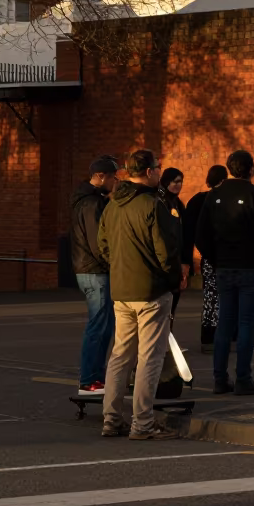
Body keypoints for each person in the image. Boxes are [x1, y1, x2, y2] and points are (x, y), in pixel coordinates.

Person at [97, 149, 183, 440]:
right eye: (158, 168)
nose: (160, 172)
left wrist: (120, 267)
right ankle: (143, 422)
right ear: (148, 172)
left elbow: (103, 246)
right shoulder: (151, 205)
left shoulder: (112, 205)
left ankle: (111, 418)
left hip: (121, 288)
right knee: (149, 358)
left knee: (120, 355)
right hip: (150, 290)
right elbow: (165, 251)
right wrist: (172, 279)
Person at [196, 149, 254, 396]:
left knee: (225, 322)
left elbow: (201, 235)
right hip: (251, 268)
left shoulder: (214, 197)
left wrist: (216, 258)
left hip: (224, 267)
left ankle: (219, 378)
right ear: (251, 169)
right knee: (246, 324)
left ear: (229, 169)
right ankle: (243, 377)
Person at [70, 155, 119, 396]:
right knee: (99, 325)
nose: (115, 181)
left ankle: (95, 378)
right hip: (95, 271)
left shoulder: (86, 199)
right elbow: (98, 242)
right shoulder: (92, 204)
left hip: (89, 269)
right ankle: (90, 379)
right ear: (101, 177)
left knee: (104, 324)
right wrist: (113, 263)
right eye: (112, 177)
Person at [185, 164, 228, 353]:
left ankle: (209, 336)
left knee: (211, 299)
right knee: (224, 298)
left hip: (210, 258)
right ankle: (221, 335)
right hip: (220, 258)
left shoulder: (198, 201)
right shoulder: (220, 201)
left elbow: (193, 233)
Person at [158, 168, 186, 315]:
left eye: (180, 182)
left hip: (176, 260)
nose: (177, 185)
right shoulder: (160, 202)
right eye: (174, 181)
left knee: (172, 309)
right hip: (165, 263)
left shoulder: (178, 204)